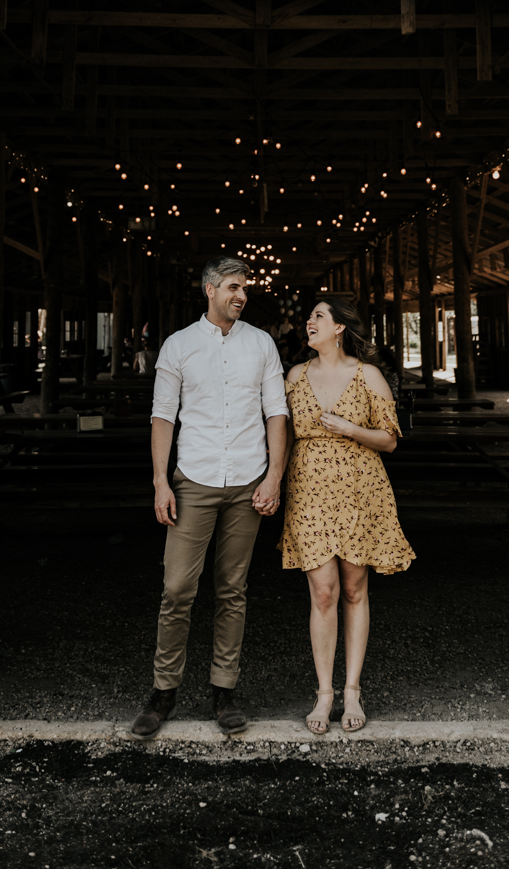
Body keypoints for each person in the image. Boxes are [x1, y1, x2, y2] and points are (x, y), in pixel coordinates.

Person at [131, 256, 288, 739]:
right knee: (177, 589)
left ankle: (224, 689)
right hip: (194, 479)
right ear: (210, 289)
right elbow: (163, 417)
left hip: (247, 481)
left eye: (246, 289)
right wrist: (160, 481)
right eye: (234, 288)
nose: (242, 296)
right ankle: (163, 691)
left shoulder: (261, 344)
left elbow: (276, 414)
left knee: (232, 590)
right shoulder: (178, 346)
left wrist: (274, 477)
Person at [279, 295, 414, 736]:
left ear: (339, 328)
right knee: (323, 591)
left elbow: (391, 440)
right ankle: (324, 693)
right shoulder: (295, 375)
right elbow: (274, 428)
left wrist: (350, 429)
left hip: (360, 489)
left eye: (318, 316)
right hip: (309, 490)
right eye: (310, 316)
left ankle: (352, 688)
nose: (309, 322)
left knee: (355, 589)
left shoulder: (367, 374)